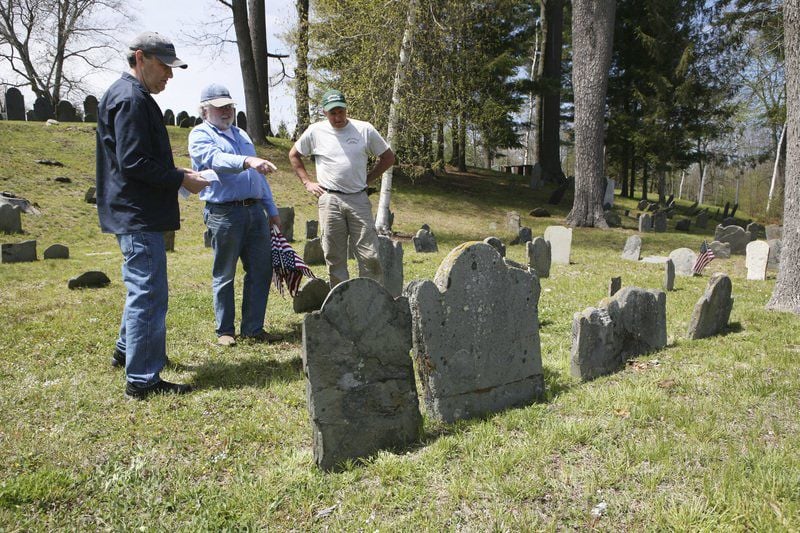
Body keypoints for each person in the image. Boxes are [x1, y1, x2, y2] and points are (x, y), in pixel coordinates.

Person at [96, 32, 210, 400]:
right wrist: (181, 178)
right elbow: (133, 163)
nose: (169, 76)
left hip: (135, 210)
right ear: (141, 58)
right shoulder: (130, 98)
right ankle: (142, 380)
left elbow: (135, 158)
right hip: (138, 212)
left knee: (141, 291)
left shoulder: (129, 94)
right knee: (149, 293)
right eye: (164, 67)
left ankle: (126, 351)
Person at [188, 84, 282, 346]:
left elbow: (258, 177)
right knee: (225, 272)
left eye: (229, 106)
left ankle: (253, 328)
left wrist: (271, 210)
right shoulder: (200, 135)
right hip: (224, 213)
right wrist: (246, 161)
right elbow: (214, 159)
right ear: (205, 110)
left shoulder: (242, 135)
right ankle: (225, 331)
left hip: (254, 211)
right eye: (220, 107)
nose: (226, 111)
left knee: (261, 270)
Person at [288, 89, 395, 287]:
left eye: (340, 112)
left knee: (370, 255)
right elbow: (294, 154)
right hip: (330, 200)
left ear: (346, 109)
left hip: (358, 199)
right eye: (332, 113)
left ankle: (370, 301)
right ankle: (340, 302)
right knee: (334, 256)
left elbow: (388, 157)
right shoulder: (315, 131)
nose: (337, 117)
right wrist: (307, 182)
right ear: (324, 113)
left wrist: (368, 179)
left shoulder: (364, 129)